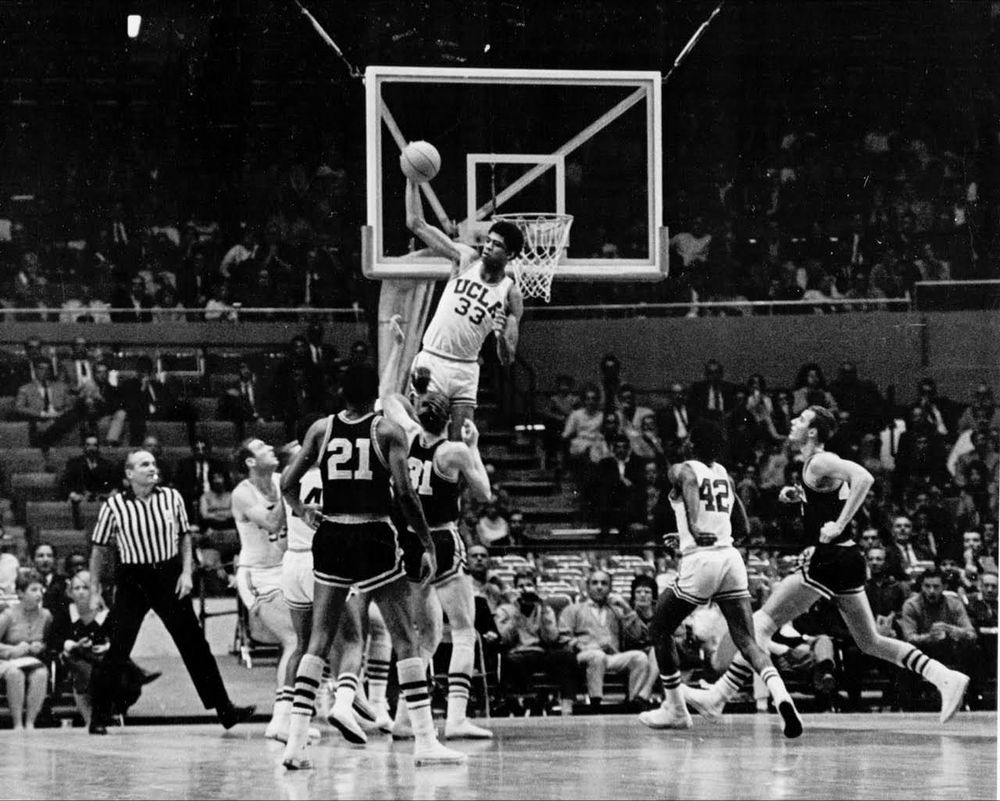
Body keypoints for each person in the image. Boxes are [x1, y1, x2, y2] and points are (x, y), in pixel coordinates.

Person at [683, 406, 971, 726]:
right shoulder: (815, 467)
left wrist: (839, 523)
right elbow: (832, 493)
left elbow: (864, 477)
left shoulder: (820, 460)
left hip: (829, 557)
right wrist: (802, 497)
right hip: (847, 559)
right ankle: (945, 677)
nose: (794, 422)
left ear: (812, 432)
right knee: (870, 641)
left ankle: (719, 695)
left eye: (801, 419)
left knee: (762, 623)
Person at [279, 363, 465, 768]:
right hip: (372, 534)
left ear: (341, 392)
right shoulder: (387, 431)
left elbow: (286, 483)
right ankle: (425, 741)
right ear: (374, 396)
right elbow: (406, 494)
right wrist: (426, 541)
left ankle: (294, 744)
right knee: (405, 637)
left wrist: (302, 510)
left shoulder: (321, 429)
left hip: (331, 535)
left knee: (318, 640)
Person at [637, 418, 802, 736]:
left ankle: (675, 709)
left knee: (659, 628)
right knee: (747, 640)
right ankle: (782, 695)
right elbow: (744, 527)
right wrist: (689, 534)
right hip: (730, 559)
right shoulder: (724, 475)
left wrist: (694, 529)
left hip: (701, 561)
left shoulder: (683, 468)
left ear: (690, 444)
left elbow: (688, 482)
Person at [86, 449, 255, 735]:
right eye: (144, 464)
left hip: (168, 575)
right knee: (119, 647)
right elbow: (99, 550)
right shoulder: (114, 505)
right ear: (129, 473)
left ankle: (225, 709)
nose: (152, 468)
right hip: (133, 579)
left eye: (153, 463)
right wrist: (94, 589)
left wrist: (186, 573)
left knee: (195, 644)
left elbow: (184, 537)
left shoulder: (172, 497)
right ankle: (99, 715)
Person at [381, 388, 493, 740]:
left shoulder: (408, 435)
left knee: (425, 636)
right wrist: (473, 447)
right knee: (463, 630)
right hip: (442, 539)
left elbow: (389, 397)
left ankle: (404, 717)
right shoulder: (453, 451)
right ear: (449, 419)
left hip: (411, 541)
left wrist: (413, 398)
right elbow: (484, 493)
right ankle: (456, 718)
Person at [404, 177, 525, 438]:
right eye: (489, 241)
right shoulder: (466, 259)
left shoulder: (511, 294)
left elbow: (508, 358)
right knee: (422, 437)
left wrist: (500, 337)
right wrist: (412, 180)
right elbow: (416, 224)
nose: (488, 247)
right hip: (433, 358)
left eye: (497, 245)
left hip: (465, 369)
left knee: (460, 446)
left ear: (511, 255)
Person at [231, 437, 300, 741]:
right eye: (261, 448)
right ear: (250, 461)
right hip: (257, 575)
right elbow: (272, 523)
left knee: (302, 642)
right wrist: (291, 485)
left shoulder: (280, 479)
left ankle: (292, 716)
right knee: (294, 639)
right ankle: (281, 721)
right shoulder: (243, 493)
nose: (270, 448)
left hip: (285, 569)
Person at [46, 570, 157, 728]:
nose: (81, 592)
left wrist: (106, 646)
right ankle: (92, 718)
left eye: (86, 587)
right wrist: (73, 644)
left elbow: (116, 638)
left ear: (96, 590)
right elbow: (53, 640)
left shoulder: (105, 613)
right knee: (89, 672)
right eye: (77, 588)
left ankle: (114, 709)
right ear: (70, 592)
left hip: (98, 656)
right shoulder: (64, 612)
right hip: (72, 657)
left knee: (117, 669)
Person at [0, 571, 52, 730]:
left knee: (41, 674)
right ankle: (17, 723)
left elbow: (49, 642)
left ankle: (30, 723)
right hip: (6, 660)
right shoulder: (8, 615)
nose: (39, 594)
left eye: (41, 590)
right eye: (33, 590)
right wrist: (14, 649)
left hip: (31, 660)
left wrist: (40, 647)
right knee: (15, 674)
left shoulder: (46, 615)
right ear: (21, 593)